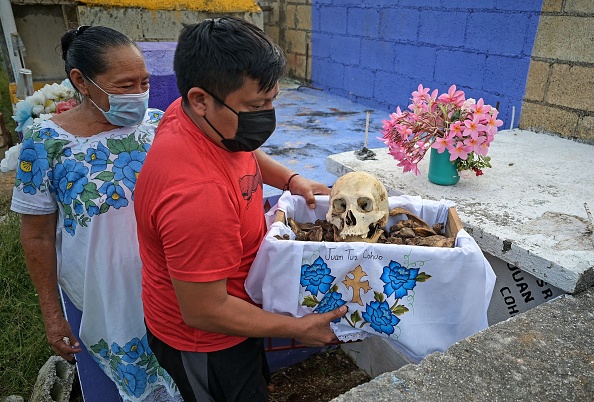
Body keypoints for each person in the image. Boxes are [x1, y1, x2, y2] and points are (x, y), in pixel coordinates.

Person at [134, 17, 347, 402]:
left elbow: (241, 150)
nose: (267, 114)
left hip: (236, 311)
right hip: (208, 341)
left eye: (271, 101)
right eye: (256, 105)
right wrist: (296, 327)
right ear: (201, 99)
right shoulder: (197, 197)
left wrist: (290, 179)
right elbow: (204, 311)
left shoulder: (194, 118)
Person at [11, 26, 182, 402]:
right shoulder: (45, 142)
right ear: (81, 82)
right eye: (124, 85)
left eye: (144, 81)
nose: (139, 93)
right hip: (107, 296)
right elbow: (37, 234)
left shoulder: (158, 126)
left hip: (174, 289)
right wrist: (52, 315)